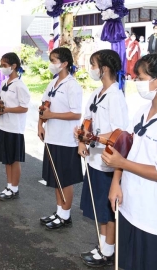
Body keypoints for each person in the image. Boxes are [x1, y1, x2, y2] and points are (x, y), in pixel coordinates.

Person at [102, 53, 157, 270]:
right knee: (128, 262)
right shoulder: (142, 111)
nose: (136, 83)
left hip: (151, 214)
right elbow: (128, 148)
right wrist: (116, 182)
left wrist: (122, 164)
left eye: (141, 78)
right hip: (129, 204)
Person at [76, 49, 129, 267]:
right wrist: (82, 140)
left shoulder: (116, 97)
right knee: (98, 208)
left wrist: (94, 138)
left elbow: (120, 132)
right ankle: (102, 245)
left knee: (107, 211)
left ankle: (108, 250)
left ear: (104, 68)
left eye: (94, 65)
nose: (92, 69)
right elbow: (86, 120)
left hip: (106, 162)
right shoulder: (97, 93)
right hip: (93, 159)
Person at [38, 47, 83, 229]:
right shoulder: (53, 82)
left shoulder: (73, 86)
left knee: (65, 179)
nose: (51, 64)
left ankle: (65, 215)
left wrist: (51, 116)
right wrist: (40, 124)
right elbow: (43, 106)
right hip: (52, 137)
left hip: (65, 139)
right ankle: (59, 212)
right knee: (56, 178)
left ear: (65, 64)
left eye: (54, 60)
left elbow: (76, 114)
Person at [0, 52, 30, 201]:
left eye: (5, 65)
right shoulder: (4, 83)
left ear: (14, 66)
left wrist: (6, 110)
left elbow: (24, 108)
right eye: (1, 65)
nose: (2, 68)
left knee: (14, 159)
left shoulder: (20, 86)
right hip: (4, 126)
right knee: (6, 159)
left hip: (15, 128)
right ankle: (8, 186)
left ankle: (15, 188)